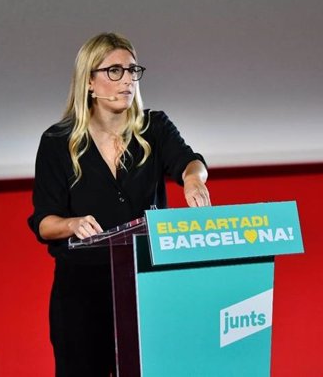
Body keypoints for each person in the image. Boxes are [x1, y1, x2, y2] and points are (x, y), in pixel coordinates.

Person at [27, 32, 210, 377]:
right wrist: (71, 224)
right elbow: (43, 221)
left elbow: (190, 161)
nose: (127, 79)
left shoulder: (154, 127)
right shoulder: (57, 142)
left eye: (132, 70)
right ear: (90, 82)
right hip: (83, 292)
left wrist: (193, 178)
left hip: (147, 286)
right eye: (114, 71)